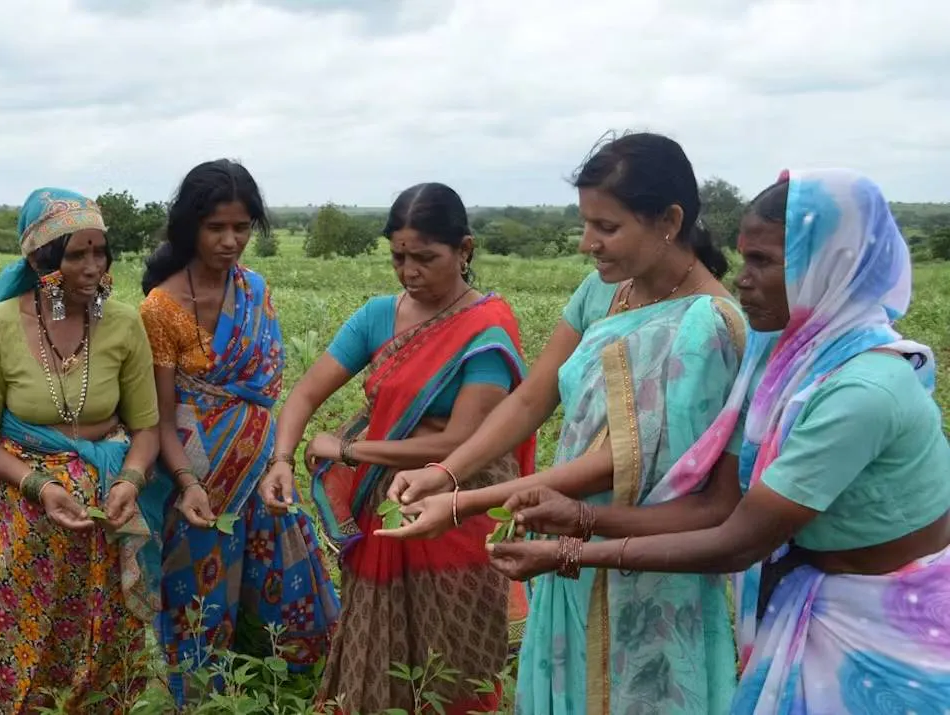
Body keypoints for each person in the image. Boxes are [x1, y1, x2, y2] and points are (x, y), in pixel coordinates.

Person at [488, 169, 950, 713]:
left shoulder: (861, 390)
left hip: (889, 628)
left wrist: (570, 552)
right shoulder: (784, 361)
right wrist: (580, 517)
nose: (743, 280)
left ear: (832, 268)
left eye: (765, 262)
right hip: (815, 599)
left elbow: (739, 541)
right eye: (745, 258)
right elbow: (717, 505)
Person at [377, 133, 749, 714]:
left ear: (670, 220)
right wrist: (445, 473)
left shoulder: (708, 325)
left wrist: (468, 504)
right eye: (585, 224)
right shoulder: (604, 293)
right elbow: (531, 400)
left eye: (606, 227)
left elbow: (627, 459)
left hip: (646, 555)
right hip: (569, 541)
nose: (587, 243)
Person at [256, 182, 534, 713]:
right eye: (399, 257)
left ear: (465, 250)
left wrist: (350, 450)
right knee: (377, 647)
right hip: (390, 507)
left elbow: (461, 440)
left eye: (425, 258)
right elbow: (307, 392)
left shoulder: (486, 328)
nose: (409, 272)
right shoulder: (379, 316)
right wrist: (282, 458)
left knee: (452, 655)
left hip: (458, 504)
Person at [0, 188, 170, 713]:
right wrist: (41, 486)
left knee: (99, 641)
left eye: (100, 252)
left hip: (101, 518)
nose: (93, 267)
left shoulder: (122, 323)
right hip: (20, 517)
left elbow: (146, 428)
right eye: (76, 254)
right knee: (12, 634)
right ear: (37, 259)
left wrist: (129, 481)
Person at [138, 159, 340, 703]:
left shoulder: (254, 289)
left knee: (282, 603)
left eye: (242, 227)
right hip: (197, 488)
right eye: (216, 228)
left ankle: (290, 697)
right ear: (190, 227)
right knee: (200, 613)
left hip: (261, 478)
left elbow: (267, 391)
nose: (231, 241)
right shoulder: (161, 308)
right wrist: (187, 483)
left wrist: (280, 462)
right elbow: (159, 416)